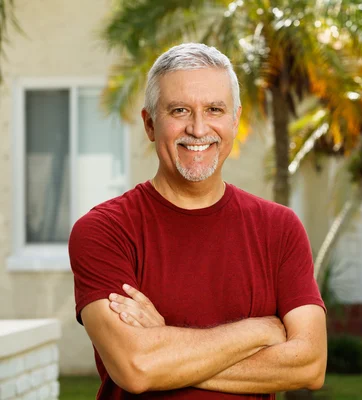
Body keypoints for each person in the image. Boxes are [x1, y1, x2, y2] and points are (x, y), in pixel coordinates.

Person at [69, 42, 327, 399]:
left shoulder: (279, 228)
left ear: (235, 120)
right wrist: (259, 332)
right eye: (179, 110)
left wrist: (165, 344)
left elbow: (310, 364)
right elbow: (136, 367)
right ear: (149, 124)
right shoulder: (104, 231)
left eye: (214, 109)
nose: (198, 128)